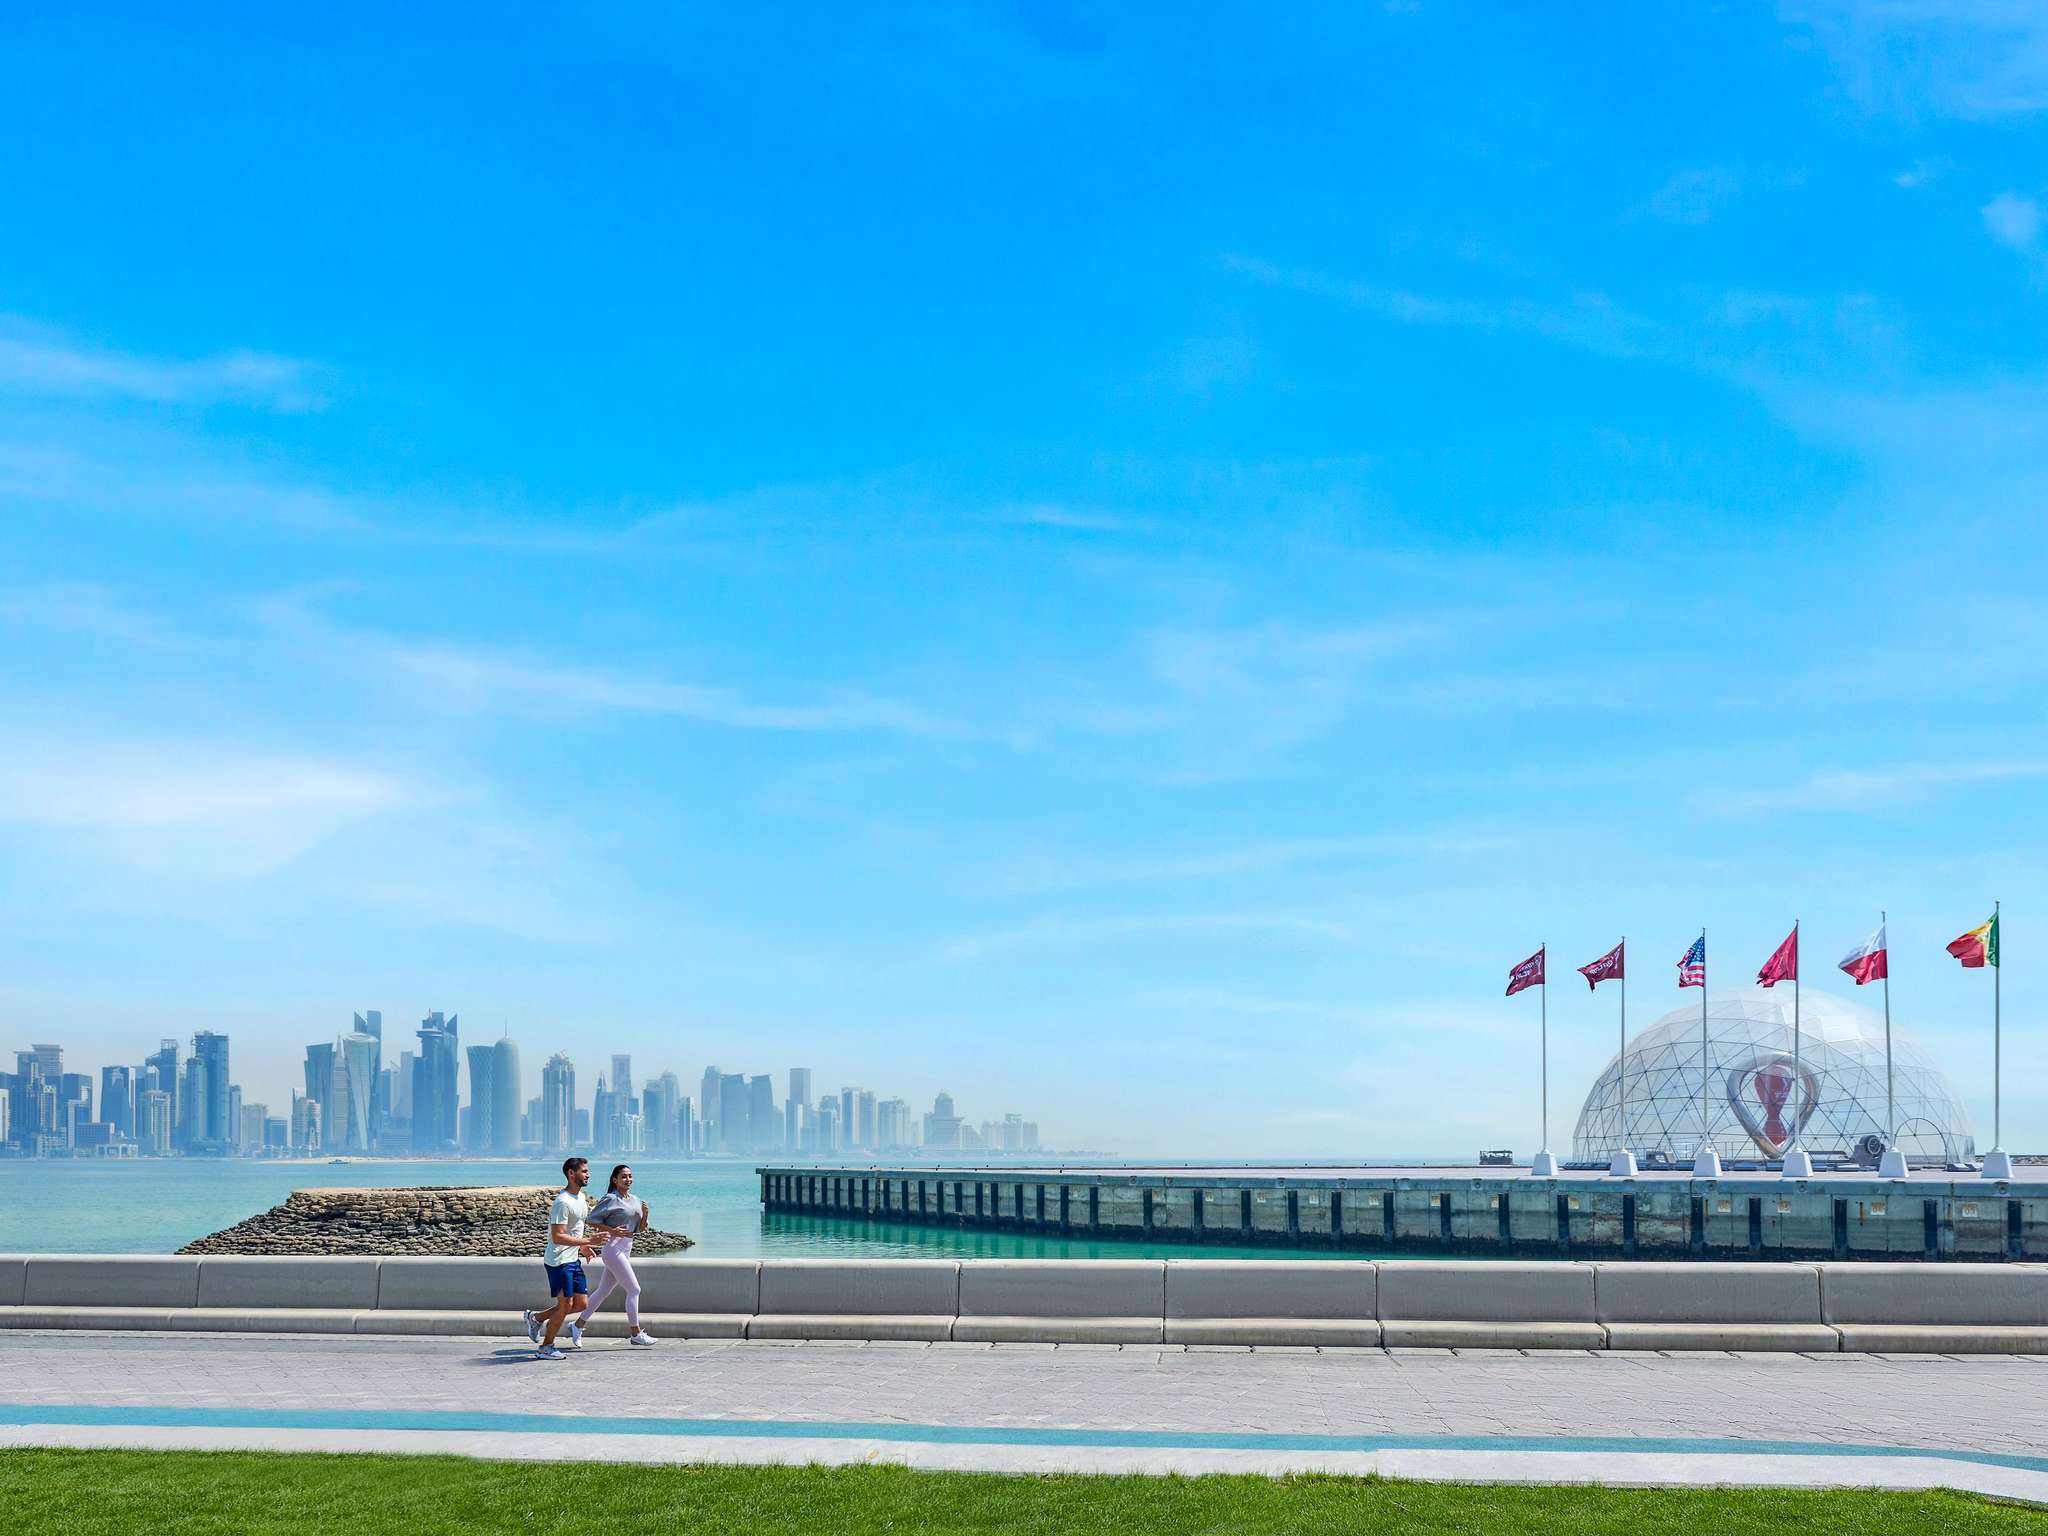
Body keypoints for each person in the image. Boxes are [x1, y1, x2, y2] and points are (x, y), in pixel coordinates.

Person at [522, 1156, 623, 1360]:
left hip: (572, 1259)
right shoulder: (562, 1202)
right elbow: (558, 1236)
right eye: (584, 1171)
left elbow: (575, 1229)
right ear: (571, 1173)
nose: (588, 1174)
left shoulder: (581, 1198)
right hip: (558, 1261)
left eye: (587, 1171)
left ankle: (536, 1318)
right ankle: (546, 1347)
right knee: (566, 1305)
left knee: (581, 1304)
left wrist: (584, 1247)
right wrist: (589, 1241)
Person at [576, 1163, 656, 1347]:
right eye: (623, 1177)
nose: (628, 1179)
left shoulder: (635, 1199)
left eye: (630, 1176)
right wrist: (612, 1230)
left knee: (603, 1291)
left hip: (626, 1247)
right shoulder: (610, 1198)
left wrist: (645, 1214)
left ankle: (578, 1325)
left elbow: (640, 1229)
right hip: (612, 1248)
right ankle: (635, 1333)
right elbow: (591, 1219)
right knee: (634, 1289)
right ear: (615, 1180)